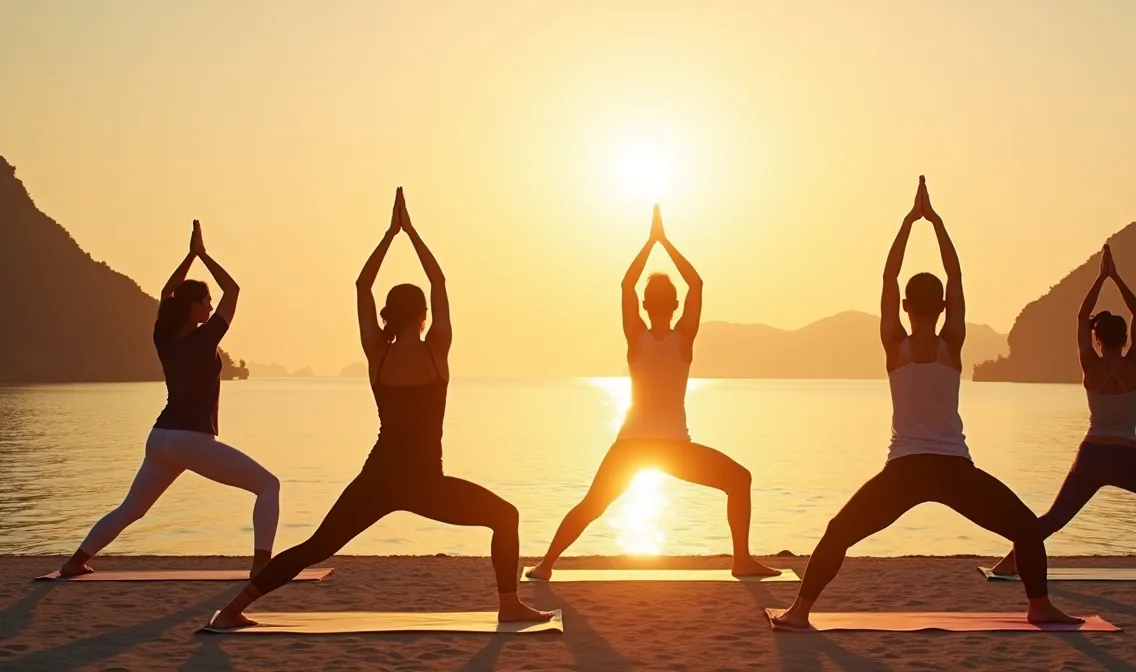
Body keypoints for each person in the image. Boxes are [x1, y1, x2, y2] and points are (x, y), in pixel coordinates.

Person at [210, 188, 553, 628]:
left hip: (379, 478)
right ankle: (508, 604)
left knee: (316, 546)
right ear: (424, 316)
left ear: (390, 314)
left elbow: (362, 286)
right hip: (426, 482)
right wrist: (411, 232)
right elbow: (440, 283)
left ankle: (231, 611)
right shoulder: (437, 352)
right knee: (505, 517)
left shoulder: (378, 354)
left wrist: (390, 235)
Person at [769, 177, 1082, 630]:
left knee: (839, 531)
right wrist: (935, 223)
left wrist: (908, 223)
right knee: (1027, 528)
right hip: (953, 469)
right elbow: (956, 277)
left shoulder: (894, 345)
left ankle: (800, 611)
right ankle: (1039, 605)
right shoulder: (951, 345)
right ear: (942, 307)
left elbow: (888, 277)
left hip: (906, 471)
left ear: (904, 305)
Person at [526, 205, 779, 580]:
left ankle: (545, 565)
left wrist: (650, 243)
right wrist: (664, 242)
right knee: (739, 481)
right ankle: (740, 560)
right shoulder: (683, 340)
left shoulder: (636, 338)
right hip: (672, 448)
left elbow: (627, 286)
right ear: (675, 305)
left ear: (645, 305)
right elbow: (696, 285)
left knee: (593, 505)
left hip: (633, 446)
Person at [60, 221, 280, 579]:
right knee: (269, 486)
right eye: (206, 303)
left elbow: (167, 292)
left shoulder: (163, 336)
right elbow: (233, 289)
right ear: (194, 306)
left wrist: (189, 256)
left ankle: (75, 562)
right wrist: (202, 255)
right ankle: (261, 567)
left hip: (160, 439)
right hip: (191, 440)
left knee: (131, 509)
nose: (211, 307)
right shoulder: (204, 339)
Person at [990, 244, 1136, 578]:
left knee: (1054, 519)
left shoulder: (1091, 366)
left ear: (1097, 340)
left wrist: (1101, 279)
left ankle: (1010, 562)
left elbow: (1080, 317)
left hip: (1091, 458)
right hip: (1125, 461)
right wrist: (1116, 277)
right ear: (1126, 339)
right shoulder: (1135, 366)